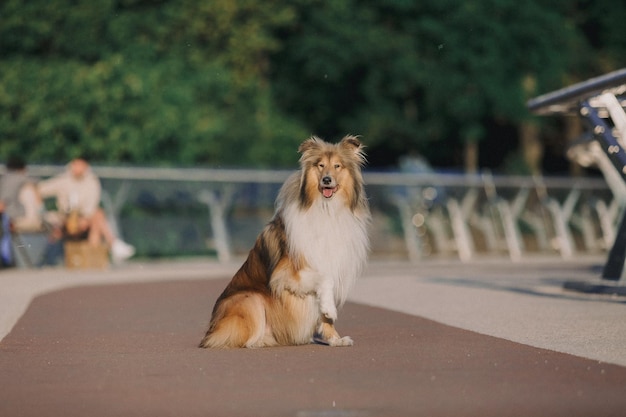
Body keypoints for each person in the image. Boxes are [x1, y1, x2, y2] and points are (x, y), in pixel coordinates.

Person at [37, 157, 135, 263]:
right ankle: (113, 245)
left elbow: (91, 205)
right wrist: (41, 209)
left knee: (97, 216)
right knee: (98, 215)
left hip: (84, 218)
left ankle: (93, 258)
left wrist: (84, 219)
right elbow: (39, 190)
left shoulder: (91, 181)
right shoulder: (63, 180)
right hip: (64, 218)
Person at [0, 156, 43, 232]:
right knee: (28, 190)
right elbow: (35, 181)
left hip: (4, 214)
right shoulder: (19, 177)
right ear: (22, 168)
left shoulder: (3, 178)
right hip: (13, 214)